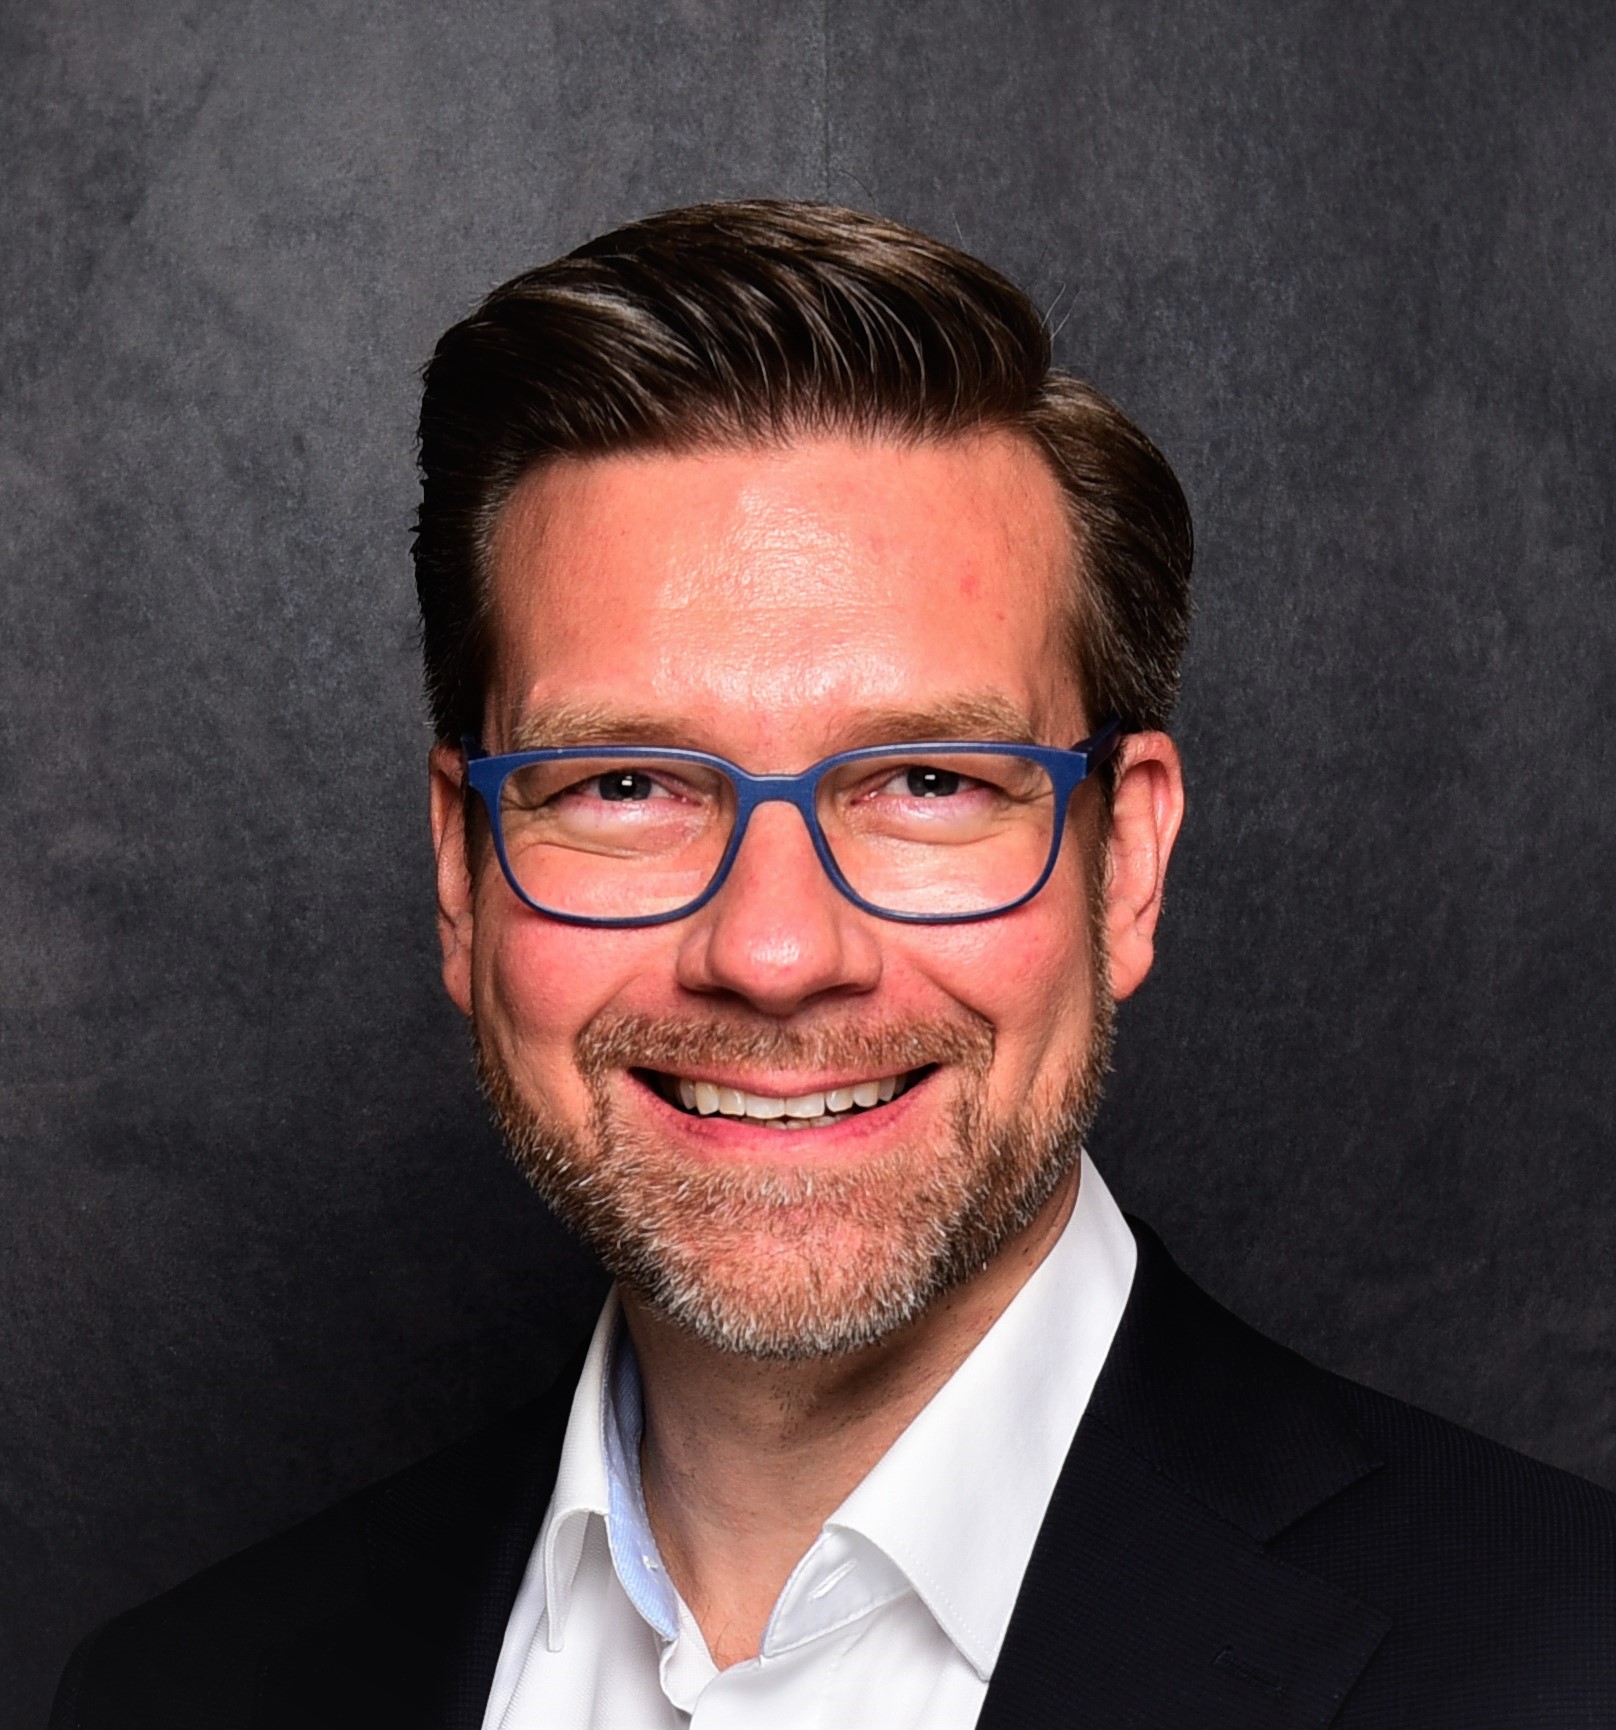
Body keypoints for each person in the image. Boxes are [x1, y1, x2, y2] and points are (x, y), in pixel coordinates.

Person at [53, 201, 1615, 1730]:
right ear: (463, 875)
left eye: (929, 780)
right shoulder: (186, 1687)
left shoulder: (1564, 1659)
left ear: (1124, 863)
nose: (777, 952)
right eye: (627, 785)